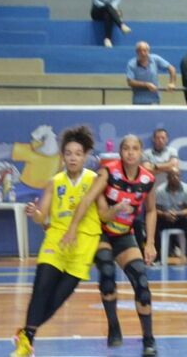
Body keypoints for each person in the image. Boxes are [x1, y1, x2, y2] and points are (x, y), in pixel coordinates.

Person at [10, 126, 131, 357]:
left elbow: (104, 215)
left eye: (77, 153)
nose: (73, 157)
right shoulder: (54, 182)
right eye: (68, 153)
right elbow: (41, 216)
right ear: (62, 156)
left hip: (83, 247)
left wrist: (117, 209)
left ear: (85, 156)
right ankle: (27, 343)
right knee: (41, 291)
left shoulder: (94, 179)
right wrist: (34, 211)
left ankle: (25, 332)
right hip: (56, 242)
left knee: (56, 300)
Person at [61, 135, 158, 356]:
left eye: (135, 148)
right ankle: (114, 327)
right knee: (106, 272)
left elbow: (151, 210)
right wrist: (73, 228)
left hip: (125, 235)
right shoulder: (108, 172)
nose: (130, 152)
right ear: (121, 152)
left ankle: (148, 339)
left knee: (141, 283)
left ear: (141, 152)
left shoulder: (148, 179)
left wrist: (150, 242)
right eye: (126, 148)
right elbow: (87, 200)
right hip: (102, 233)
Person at [154, 168, 187, 266]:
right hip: (165, 218)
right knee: (154, 223)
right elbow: (155, 209)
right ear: (167, 178)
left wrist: (177, 214)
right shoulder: (160, 190)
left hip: (180, 218)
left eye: (177, 175)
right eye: (172, 176)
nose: (175, 178)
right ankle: (157, 258)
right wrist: (165, 214)